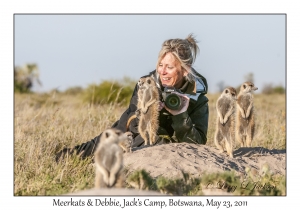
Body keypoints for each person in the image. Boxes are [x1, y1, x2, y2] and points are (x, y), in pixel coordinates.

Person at [56, 34, 209, 161]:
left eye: (169, 67)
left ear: (185, 70)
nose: (162, 72)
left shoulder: (197, 98)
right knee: (78, 154)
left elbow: (198, 143)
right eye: (160, 65)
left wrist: (180, 116)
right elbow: (135, 127)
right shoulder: (146, 85)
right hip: (125, 134)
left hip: (162, 149)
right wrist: (151, 112)